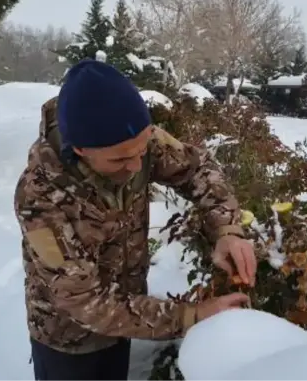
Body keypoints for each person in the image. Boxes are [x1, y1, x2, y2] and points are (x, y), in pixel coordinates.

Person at [13, 59, 257, 381]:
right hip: (68, 340)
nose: (135, 165)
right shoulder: (40, 197)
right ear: (81, 150)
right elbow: (85, 301)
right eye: (120, 159)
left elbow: (197, 168)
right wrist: (191, 316)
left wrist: (227, 230)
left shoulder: (137, 140)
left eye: (141, 151)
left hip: (126, 321)